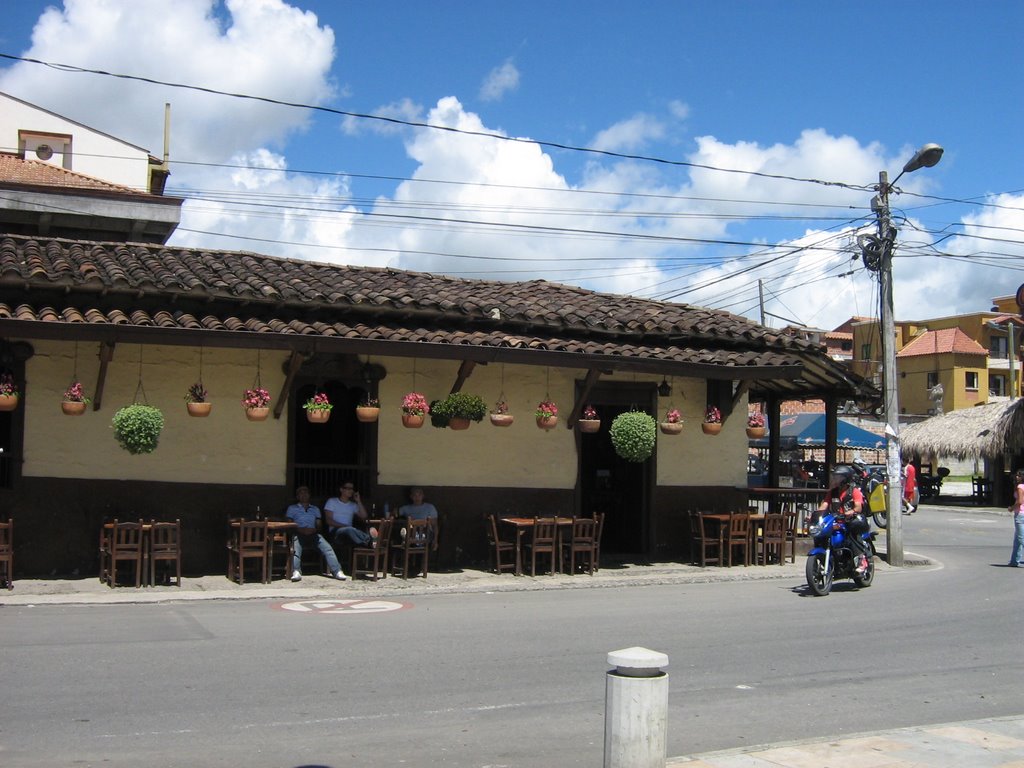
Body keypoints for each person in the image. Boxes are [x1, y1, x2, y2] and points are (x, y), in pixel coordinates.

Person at [817, 465, 870, 575]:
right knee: (822, 534)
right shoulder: (832, 492)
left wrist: (852, 511)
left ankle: (861, 560)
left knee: (851, 535)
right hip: (836, 520)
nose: (835, 480)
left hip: (850, 520)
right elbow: (824, 505)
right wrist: (816, 514)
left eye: (838, 477)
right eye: (835, 477)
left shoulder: (854, 491)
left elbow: (858, 506)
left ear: (845, 479)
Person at [285, 486, 346, 581]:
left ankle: (337, 571)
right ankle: (296, 571)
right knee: (295, 549)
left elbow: (319, 525)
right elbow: (289, 523)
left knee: (328, 549)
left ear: (309, 495)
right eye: (301, 493)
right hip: (298, 533)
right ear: (297, 496)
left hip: (313, 534)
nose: (304, 495)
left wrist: (315, 529)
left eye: (306, 492)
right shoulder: (292, 508)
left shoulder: (315, 509)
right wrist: (300, 529)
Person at [324, 482, 373, 548]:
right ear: (341, 489)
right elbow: (329, 521)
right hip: (335, 532)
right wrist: (344, 526)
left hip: (349, 533)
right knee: (349, 530)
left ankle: (368, 542)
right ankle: (370, 541)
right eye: (348, 488)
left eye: (352, 489)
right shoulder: (332, 501)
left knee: (352, 531)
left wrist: (358, 501)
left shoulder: (353, 505)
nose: (351, 491)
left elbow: (364, 516)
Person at [398, 487, 439, 551]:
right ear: (411, 496)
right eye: (414, 495)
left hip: (426, 536)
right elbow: (396, 513)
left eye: (419, 495)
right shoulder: (406, 508)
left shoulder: (430, 508)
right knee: (404, 529)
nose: (417, 497)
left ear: (423, 496)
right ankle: (407, 542)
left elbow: (434, 526)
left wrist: (435, 540)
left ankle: (409, 541)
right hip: (411, 534)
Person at [1008, 469, 1024, 568]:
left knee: (1021, 538)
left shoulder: (1019, 487)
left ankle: (1015, 560)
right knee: (1017, 539)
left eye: (1019, 475)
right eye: (1016, 475)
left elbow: (1020, 501)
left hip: (1020, 514)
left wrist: (1011, 508)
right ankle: (1014, 560)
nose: (1017, 477)